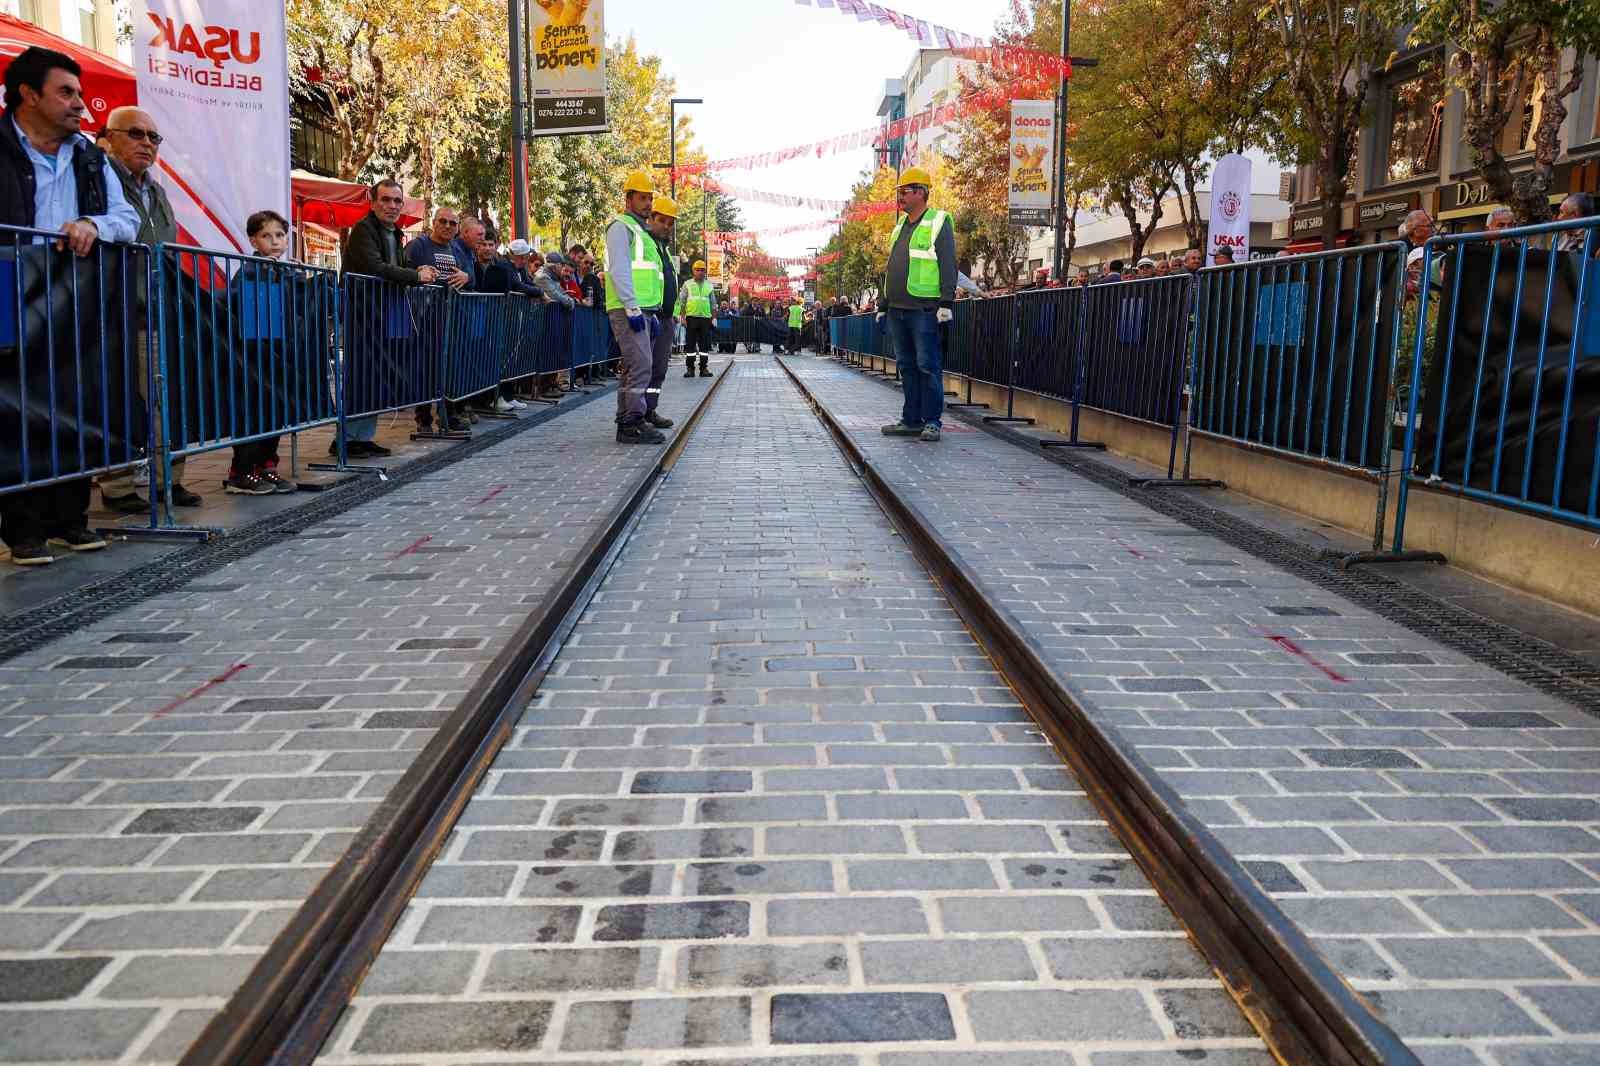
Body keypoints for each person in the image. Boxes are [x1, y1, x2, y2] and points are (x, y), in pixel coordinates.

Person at [0, 47, 140, 565]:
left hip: (76, 300)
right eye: (66, 92)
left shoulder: (90, 156)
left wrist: (93, 225)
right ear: (28, 94)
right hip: (11, 292)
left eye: (80, 93)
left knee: (77, 398)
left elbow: (126, 220)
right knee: (15, 404)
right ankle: (23, 527)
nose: (80, 104)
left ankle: (70, 518)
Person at [96, 105, 197, 512]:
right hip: (113, 309)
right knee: (119, 399)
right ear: (111, 136)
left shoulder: (155, 189)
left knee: (167, 396)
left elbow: (166, 243)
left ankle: (166, 480)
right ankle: (118, 486)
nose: (147, 144)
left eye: (154, 138)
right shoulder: (99, 179)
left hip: (158, 309)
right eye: (136, 134)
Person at [340, 178, 440, 457]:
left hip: (383, 311)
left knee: (373, 375)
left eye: (397, 200)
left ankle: (362, 436)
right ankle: (346, 439)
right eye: (385, 199)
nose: (392, 205)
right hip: (361, 311)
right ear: (373, 203)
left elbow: (397, 266)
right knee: (360, 375)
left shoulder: (394, 232)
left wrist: (417, 269)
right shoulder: (363, 229)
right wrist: (415, 276)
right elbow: (375, 266)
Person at [221, 209, 302, 495]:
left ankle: (267, 466)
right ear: (254, 240)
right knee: (252, 411)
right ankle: (241, 471)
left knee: (276, 409)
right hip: (254, 355)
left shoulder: (285, 269)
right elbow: (236, 305)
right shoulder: (249, 269)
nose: (275, 241)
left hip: (279, 353)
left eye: (280, 235)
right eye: (267, 236)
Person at [876, 167, 955, 444]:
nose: (900, 197)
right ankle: (911, 420)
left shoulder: (938, 221)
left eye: (904, 191)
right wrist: (883, 304)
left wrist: (946, 301)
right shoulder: (900, 226)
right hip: (897, 309)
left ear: (921, 192)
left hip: (923, 309)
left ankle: (932, 421)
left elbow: (948, 263)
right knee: (907, 366)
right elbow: (891, 267)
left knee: (927, 365)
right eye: (899, 192)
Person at [603, 170, 666, 444]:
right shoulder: (621, 227)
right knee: (642, 365)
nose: (648, 204)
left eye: (650, 198)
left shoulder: (641, 231)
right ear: (628, 199)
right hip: (628, 308)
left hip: (641, 308)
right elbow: (619, 269)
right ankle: (633, 421)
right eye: (643, 198)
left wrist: (649, 309)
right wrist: (631, 307)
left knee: (633, 366)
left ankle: (625, 421)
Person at [644, 194, 679, 427]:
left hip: (666, 318)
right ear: (651, 218)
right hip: (648, 315)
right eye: (662, 221)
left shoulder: (664, 249)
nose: (666, 226)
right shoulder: (646, 243)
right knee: (641, 368)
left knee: (659, 369)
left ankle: (650, 409)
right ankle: (634, 414)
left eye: (670, 223)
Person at [677, 259, 716, 377]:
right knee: (691, 345)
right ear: (693, 271)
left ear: (705, 272)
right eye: (697, 270)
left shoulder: (709, 285)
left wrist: (714, 318)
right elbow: (682, 302)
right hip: (691, 318)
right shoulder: (687, 284)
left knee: (704, 345)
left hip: (705, 319)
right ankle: (690, 369)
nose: (700, 272)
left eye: (702, 270)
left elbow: (713, 304)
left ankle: (704, 368)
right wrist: (682, 317)